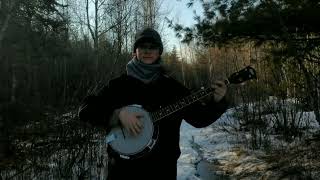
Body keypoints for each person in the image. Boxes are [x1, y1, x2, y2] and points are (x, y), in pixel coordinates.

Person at [78, 27, 229, 180]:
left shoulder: (173, 88)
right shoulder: (118, 85)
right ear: (135, 51)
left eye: (153, 47)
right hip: (122, 171)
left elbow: (200, 119)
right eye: (143, 46)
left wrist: (218, 101)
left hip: (162, 171)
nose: (148, 50)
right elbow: (85, 109)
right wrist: (118, 114)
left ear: (159, 52)